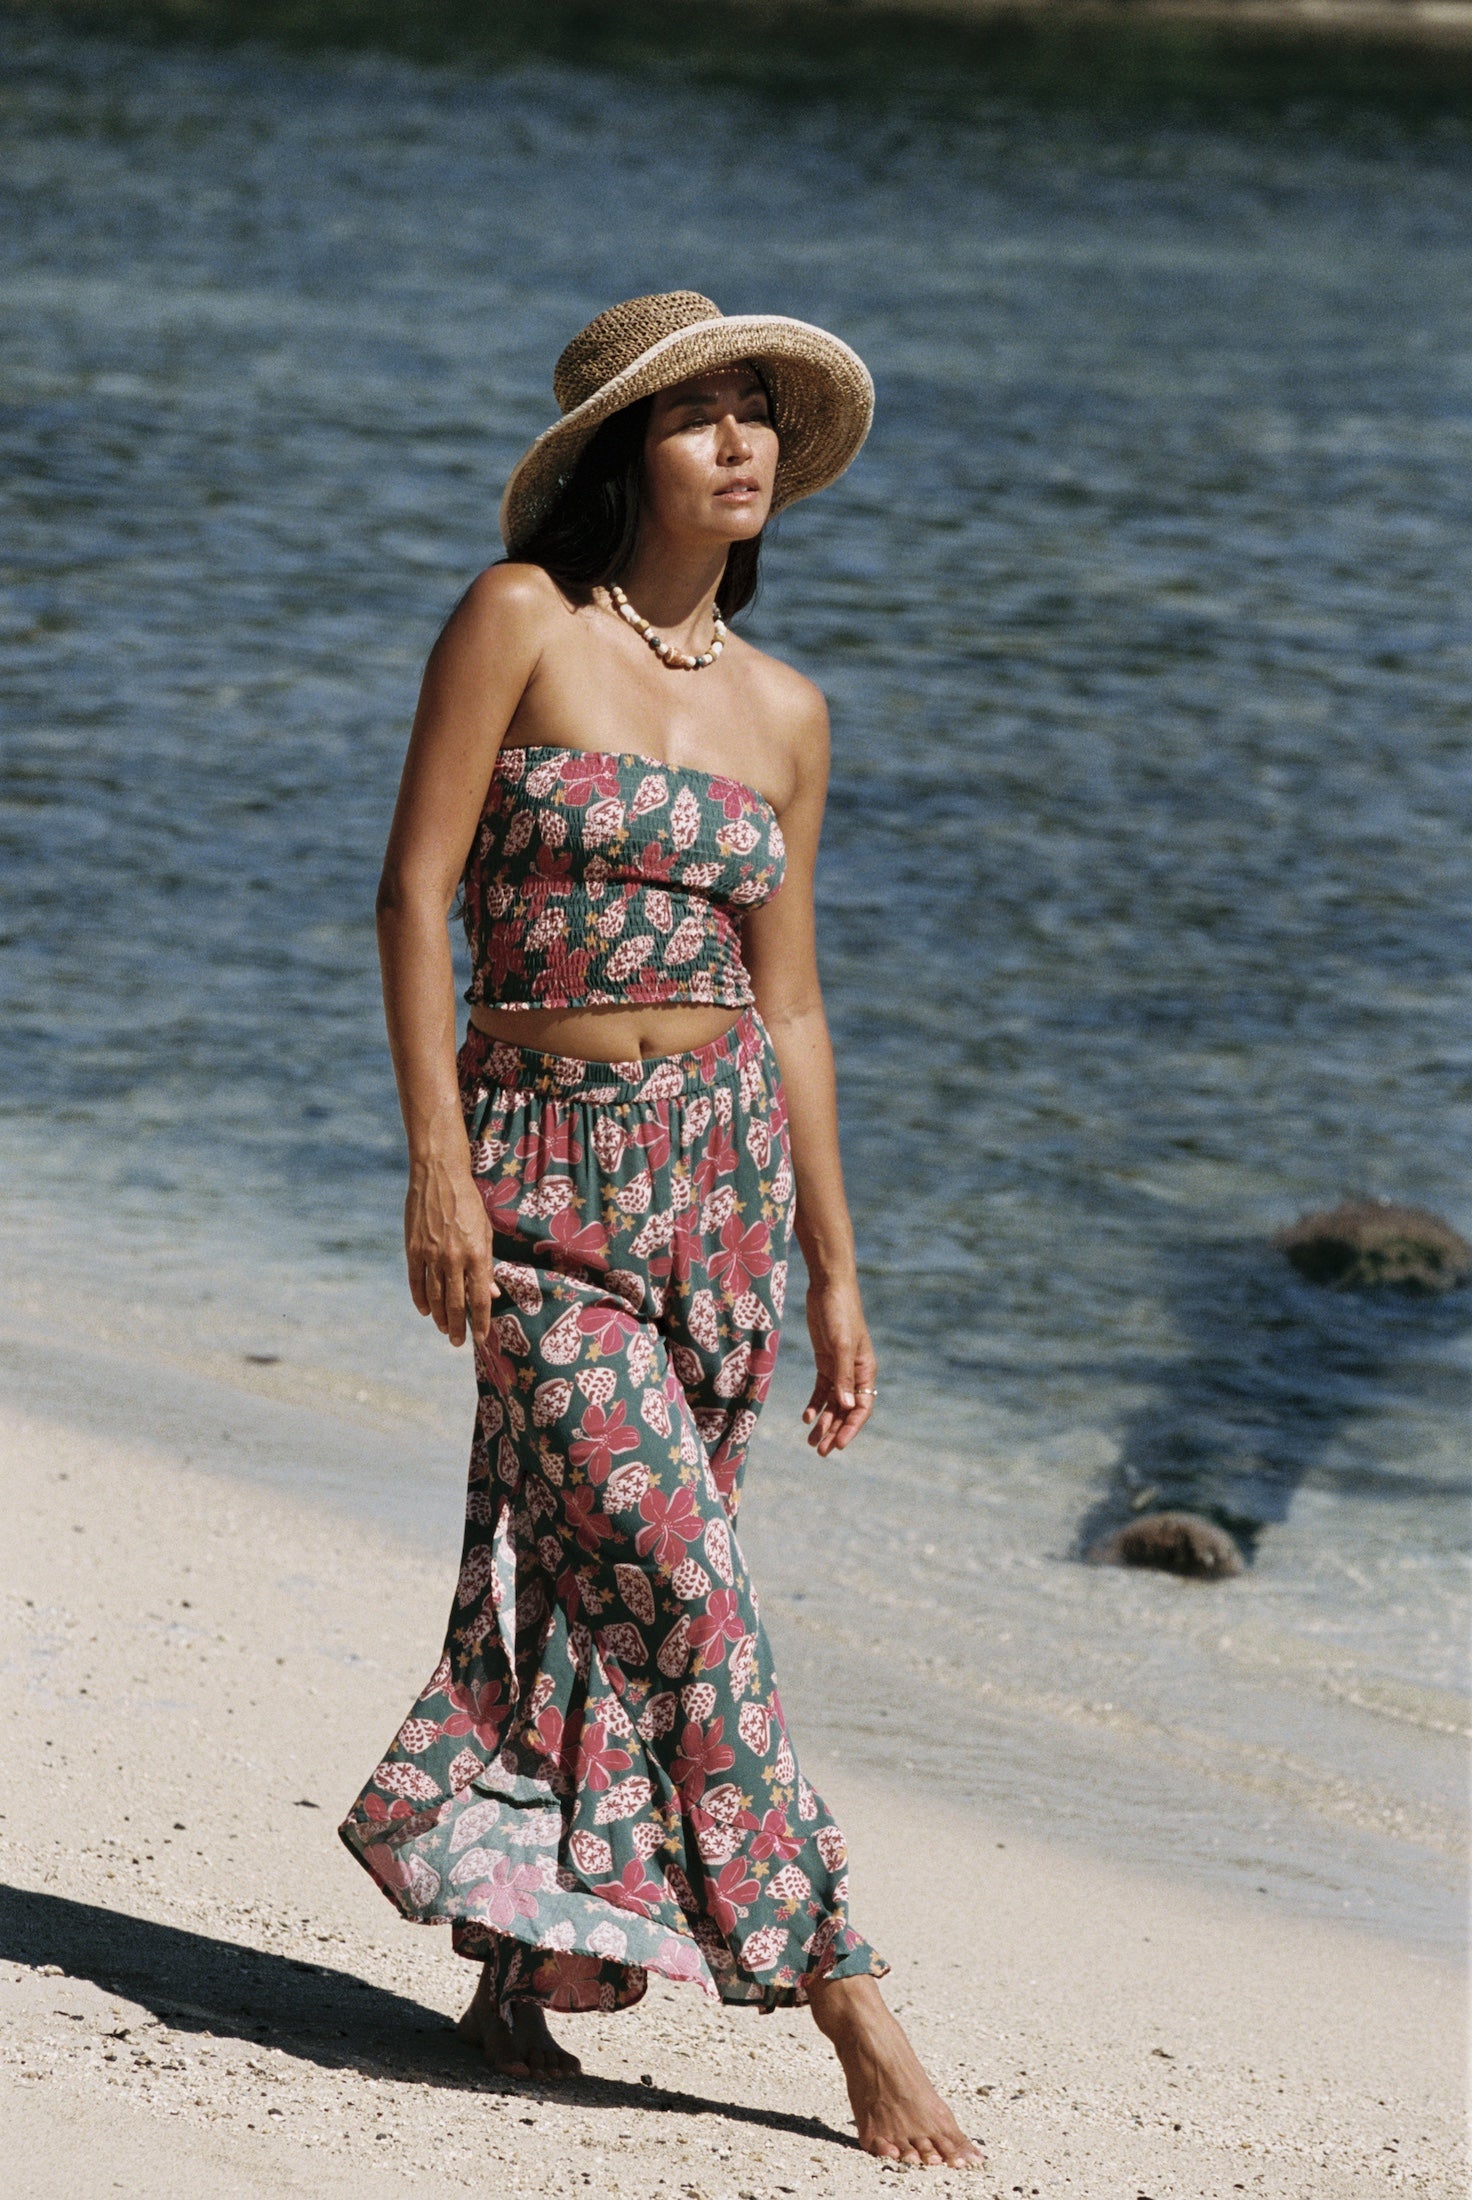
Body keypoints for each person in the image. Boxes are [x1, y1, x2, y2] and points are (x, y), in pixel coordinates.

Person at [339, 291, 983, 2171]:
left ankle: (514, 1982)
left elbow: (792, 1007)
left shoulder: (790, 715)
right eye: (698, 418)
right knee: (684, 1589)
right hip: (539, 1172)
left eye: (758, 417)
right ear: (626, 455)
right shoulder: (517, 621)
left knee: (617, 1590)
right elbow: (411, 889)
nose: (741, 445)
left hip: (720, 1194)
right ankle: (850, 2003)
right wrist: (436, 1165)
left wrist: (843, 1271)